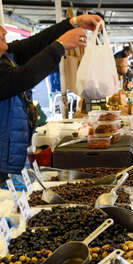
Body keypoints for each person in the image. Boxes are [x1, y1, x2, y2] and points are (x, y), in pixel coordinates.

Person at [0, 14, 102, 183]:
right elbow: (24, 77)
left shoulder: (6, 57)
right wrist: (60, 46)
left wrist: (73, 22)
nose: (4, 31)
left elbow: (34, 44)